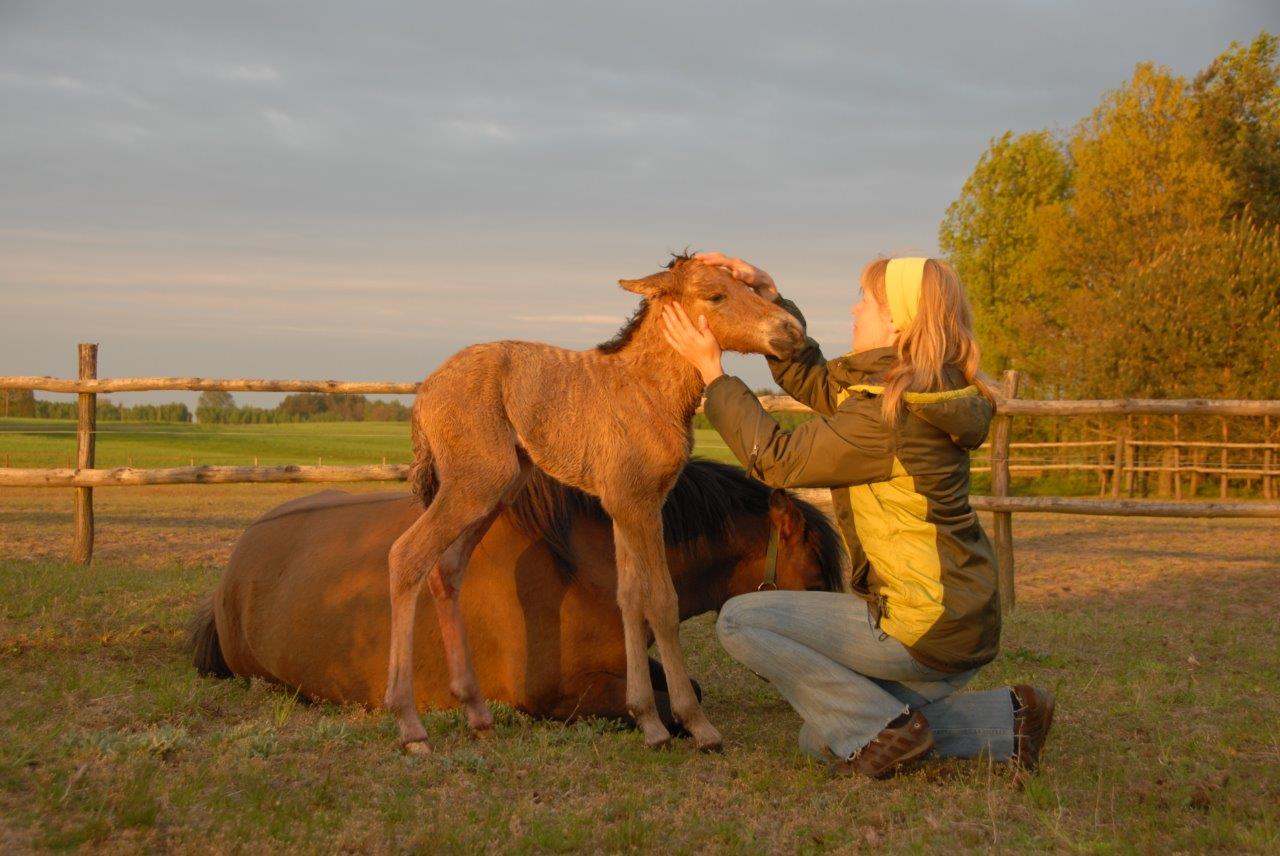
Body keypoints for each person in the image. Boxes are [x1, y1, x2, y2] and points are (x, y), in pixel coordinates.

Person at [659, 251, 1054, 779]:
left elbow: (775, 460)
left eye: (865, 301)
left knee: (741, 620)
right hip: (958, 618)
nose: (853, 310)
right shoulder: (917, 388)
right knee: (822, 739)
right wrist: (771, 297)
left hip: (923, 625)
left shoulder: (890, 414)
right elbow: (823, 386)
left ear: (897, 320)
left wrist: (714, 374)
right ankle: (1011, 719)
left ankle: (881, 730)